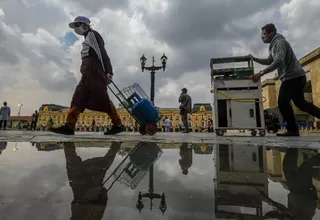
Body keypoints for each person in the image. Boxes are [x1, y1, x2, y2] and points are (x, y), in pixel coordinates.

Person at [50, 16, 124, 136]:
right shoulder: (87, 38)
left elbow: (101, 53)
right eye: (74, 26)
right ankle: (69, 126)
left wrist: (108, 71)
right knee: (78, 97)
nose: (76, 28)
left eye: (77, 25)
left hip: (94, 71)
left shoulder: (93, 35)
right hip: (88, 71)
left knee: (102, 97)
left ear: (85, 25)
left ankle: (118, 124)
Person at [249, 23, 320, 137]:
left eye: (264, 34)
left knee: (282, 102)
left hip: (292, 77)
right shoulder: (273, 45)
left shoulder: (280, 43)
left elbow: (278, 61)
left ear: (271, 34)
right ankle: (293, 129)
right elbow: (269, 60)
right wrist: (254, 59)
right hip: (296, 76)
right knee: (301, 104)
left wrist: (261, 73)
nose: (262, 37)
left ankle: (292, 129)